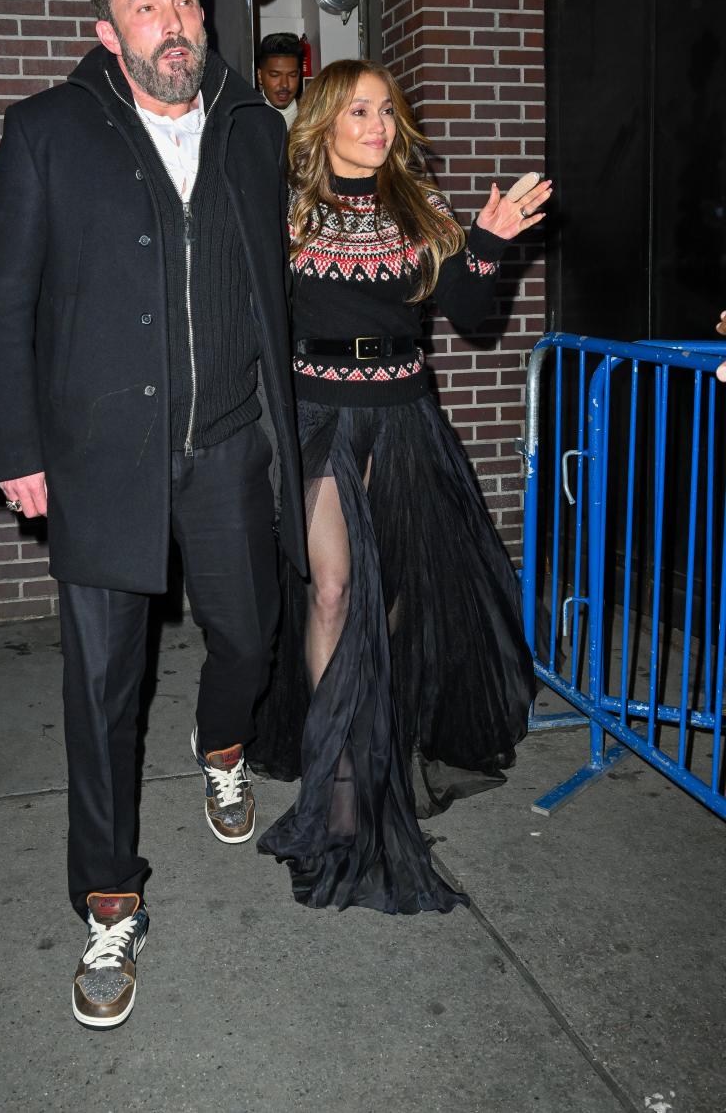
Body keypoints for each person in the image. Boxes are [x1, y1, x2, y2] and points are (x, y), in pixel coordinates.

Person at [0, 0, 306, 1029]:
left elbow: (278, 285)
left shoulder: (255, 131)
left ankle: (222, 747)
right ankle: (108, 894)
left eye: (186, 0)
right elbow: (1, 299)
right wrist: (16, 447)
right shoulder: (48, 133)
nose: (173, 19)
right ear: (107, 32)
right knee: (103, 689)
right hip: (101, 456)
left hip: (227, 443)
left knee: (251, 637)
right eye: (146, 3)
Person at [251, 58, 550, 916]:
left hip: (407, 419)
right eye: (358, 110)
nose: (376, 124)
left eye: (386, 110)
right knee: (335, 589)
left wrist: (488, 243)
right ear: (323, 123)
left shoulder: (420, 209)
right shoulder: (288, 211)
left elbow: (470, 314)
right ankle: (339, 779)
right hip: (322, 422)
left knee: (389, 602)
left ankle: (376, 739)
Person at [256, 32, 304, 129]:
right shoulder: (245, 119)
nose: (284, 84)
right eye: (275, 75)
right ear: (260, 76)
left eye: (292, 75)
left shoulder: (313, 119)